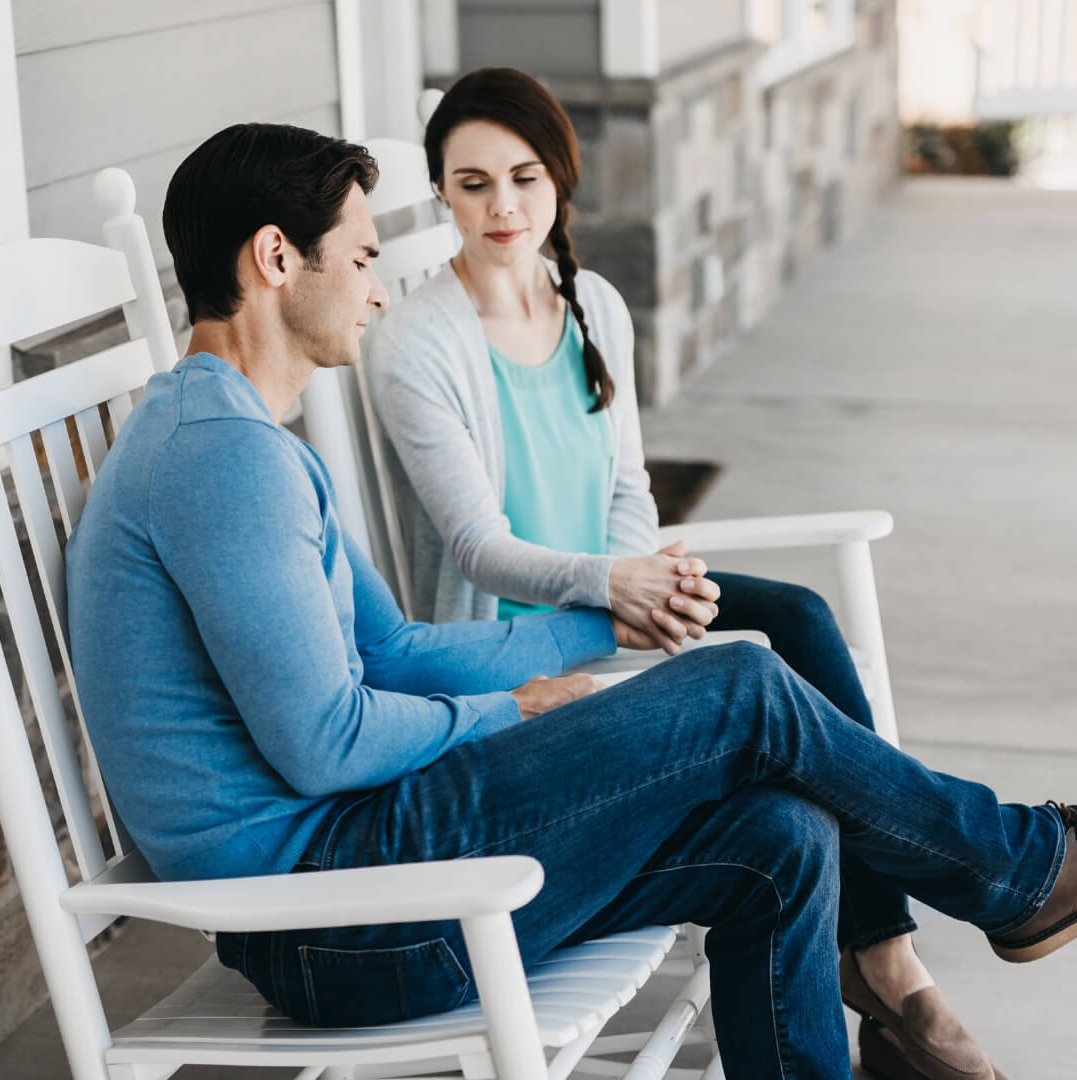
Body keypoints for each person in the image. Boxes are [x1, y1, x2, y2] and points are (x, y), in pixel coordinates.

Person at [64, 121, 1077, 1080]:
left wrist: (605, 619)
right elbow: (326, 744)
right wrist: (511, 711)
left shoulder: (242, 440)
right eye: (363, 259)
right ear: (277, 259)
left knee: (782, 839)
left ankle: (1008, 880)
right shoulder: (221, 459)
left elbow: (399, 651)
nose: (374, 292)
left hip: (365, 869)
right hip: (337, 916)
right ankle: (1014, 869)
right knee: (744, 687)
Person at [364, 67, 1002, 1080]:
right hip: (519, 639)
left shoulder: (593, 308)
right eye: (472, 183)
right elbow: (481, 547)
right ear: (442, 191)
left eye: (524, 178)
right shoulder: (414, 342)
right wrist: (616, 590)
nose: (502, 207)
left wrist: (645, 579)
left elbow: (627, 494)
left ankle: (886, 954)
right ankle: (936, 934)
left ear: (560, 180)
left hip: (612, 600)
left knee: (794, 613)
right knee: (770, 690)